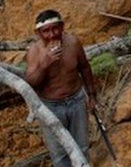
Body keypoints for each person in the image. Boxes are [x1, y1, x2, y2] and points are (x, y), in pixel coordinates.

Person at [25, 10, 98, 167]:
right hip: (51, 107)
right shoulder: (34, 52)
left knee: (82, 147)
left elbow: (85, 68)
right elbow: (32, 83)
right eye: (46, 31)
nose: (52, 35)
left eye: (55, 28)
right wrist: (45, 64)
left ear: (62, 27)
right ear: (38, 33)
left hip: (77, 101)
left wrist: (92, 95)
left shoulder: (73, 43)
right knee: (59, 155)